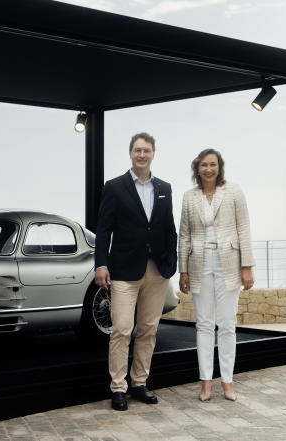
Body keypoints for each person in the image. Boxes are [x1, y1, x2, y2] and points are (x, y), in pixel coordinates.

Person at [95, 133, 178, 411]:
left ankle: (140, 382)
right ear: (130, 153)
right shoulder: (115, 187)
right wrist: (101, 264)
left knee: (148, 330)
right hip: (123, 271)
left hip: (157, 271)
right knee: (121, 329)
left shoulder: (164, 188)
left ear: (154, 153)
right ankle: (118, 387)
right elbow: (104, 230)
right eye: (137, 150)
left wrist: (171, 263)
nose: (142, 155)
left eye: (147, 150)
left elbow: (169, 230)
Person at [178, 148, 255, 402]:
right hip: (199, 263)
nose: (208, 169)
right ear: (197, 168)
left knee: (227, 324)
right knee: (204, 324)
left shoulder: (234, 192)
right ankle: (206, 382)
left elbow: (243, 228)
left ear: (219, 167)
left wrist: (247, 266)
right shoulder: (189, 197)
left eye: (212, 164)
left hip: (229, 263)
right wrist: (183, 270)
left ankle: (228, 382)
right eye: (203, 165)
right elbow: (185, 235)